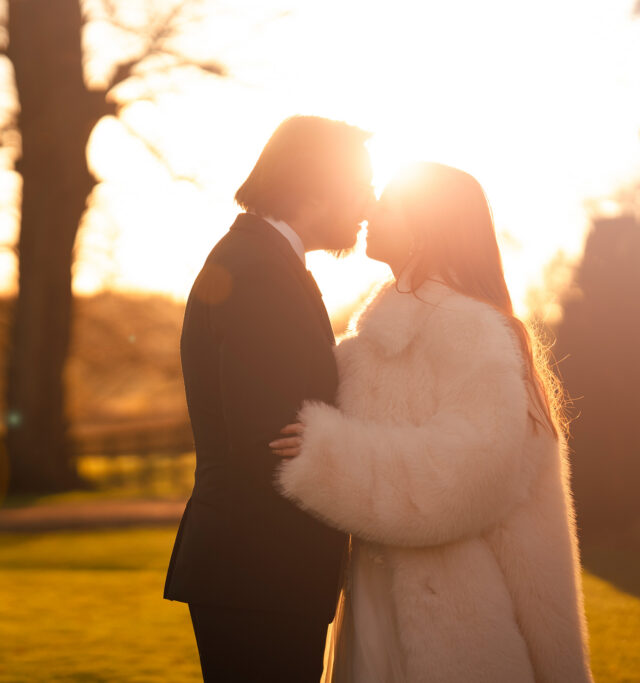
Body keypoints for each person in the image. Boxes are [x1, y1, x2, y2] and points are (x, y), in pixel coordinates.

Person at [271, 162, 593, 682]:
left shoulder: (466, 326)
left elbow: (465, 477)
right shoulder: (367, 345)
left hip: (457, 630)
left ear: (427, 226)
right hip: (375, 610)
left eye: (390, 203)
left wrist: (327, 456)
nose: (371, 209)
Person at [163, 116, 375, 681]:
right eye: (361, 187)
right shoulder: (258, 271)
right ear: (314, 187)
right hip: (258, 571)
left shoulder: (269, 261)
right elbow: (270, 439)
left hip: (263, 571)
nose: (369, 205)